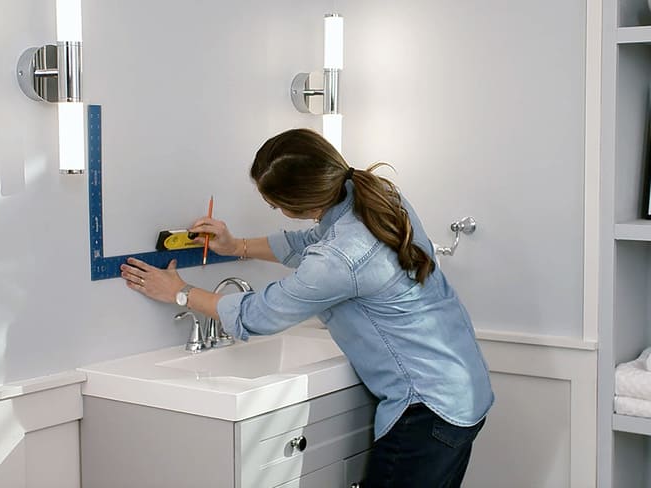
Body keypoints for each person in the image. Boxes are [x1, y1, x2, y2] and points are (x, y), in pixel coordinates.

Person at [120, 128, 494, 487]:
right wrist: (237, 247)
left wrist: (181, 292)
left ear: (302, 204)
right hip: (460, 387)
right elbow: (310, 243)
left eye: (274, 204)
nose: (271, 207)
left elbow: (260, 314)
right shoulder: (374, 194)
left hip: (428, 407)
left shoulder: (341, 258)